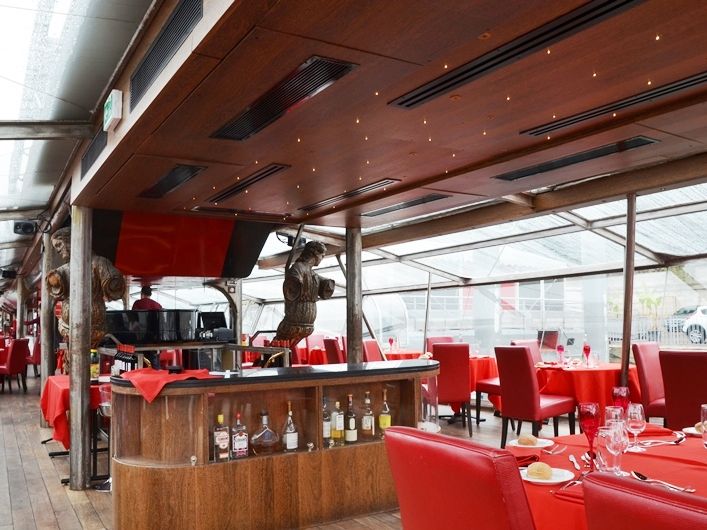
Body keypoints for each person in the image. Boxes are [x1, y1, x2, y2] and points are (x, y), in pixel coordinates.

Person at [45, 227, 126, 371]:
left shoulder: (98, 262)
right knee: (73, 360)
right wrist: (54, 281)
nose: (58, 250)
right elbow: (56, 287)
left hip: (93, 326)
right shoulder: (64, 269)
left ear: (71, 240)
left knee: (89, 361)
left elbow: (113, 282)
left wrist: (112, 281)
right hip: (67, 326)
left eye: (59, 245)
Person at [273, 241, 335, 363]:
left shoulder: (312, 273)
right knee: (279, 349)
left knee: (284, 350)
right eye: (322, 255)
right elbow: (291, 288)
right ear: (315, 253)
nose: (322, 258)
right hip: (294, 322)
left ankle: (277, 364)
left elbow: (326, 286)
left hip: (306, 324)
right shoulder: (298, 268)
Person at [131, 286, 162, 369]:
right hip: (155, 338)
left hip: (141, 338)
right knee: (154, 360)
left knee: (141, 359)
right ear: (150, 294)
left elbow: (133, 320)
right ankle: (156, 373)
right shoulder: (157, 305)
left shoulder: (137, 303)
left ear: (141, 294)